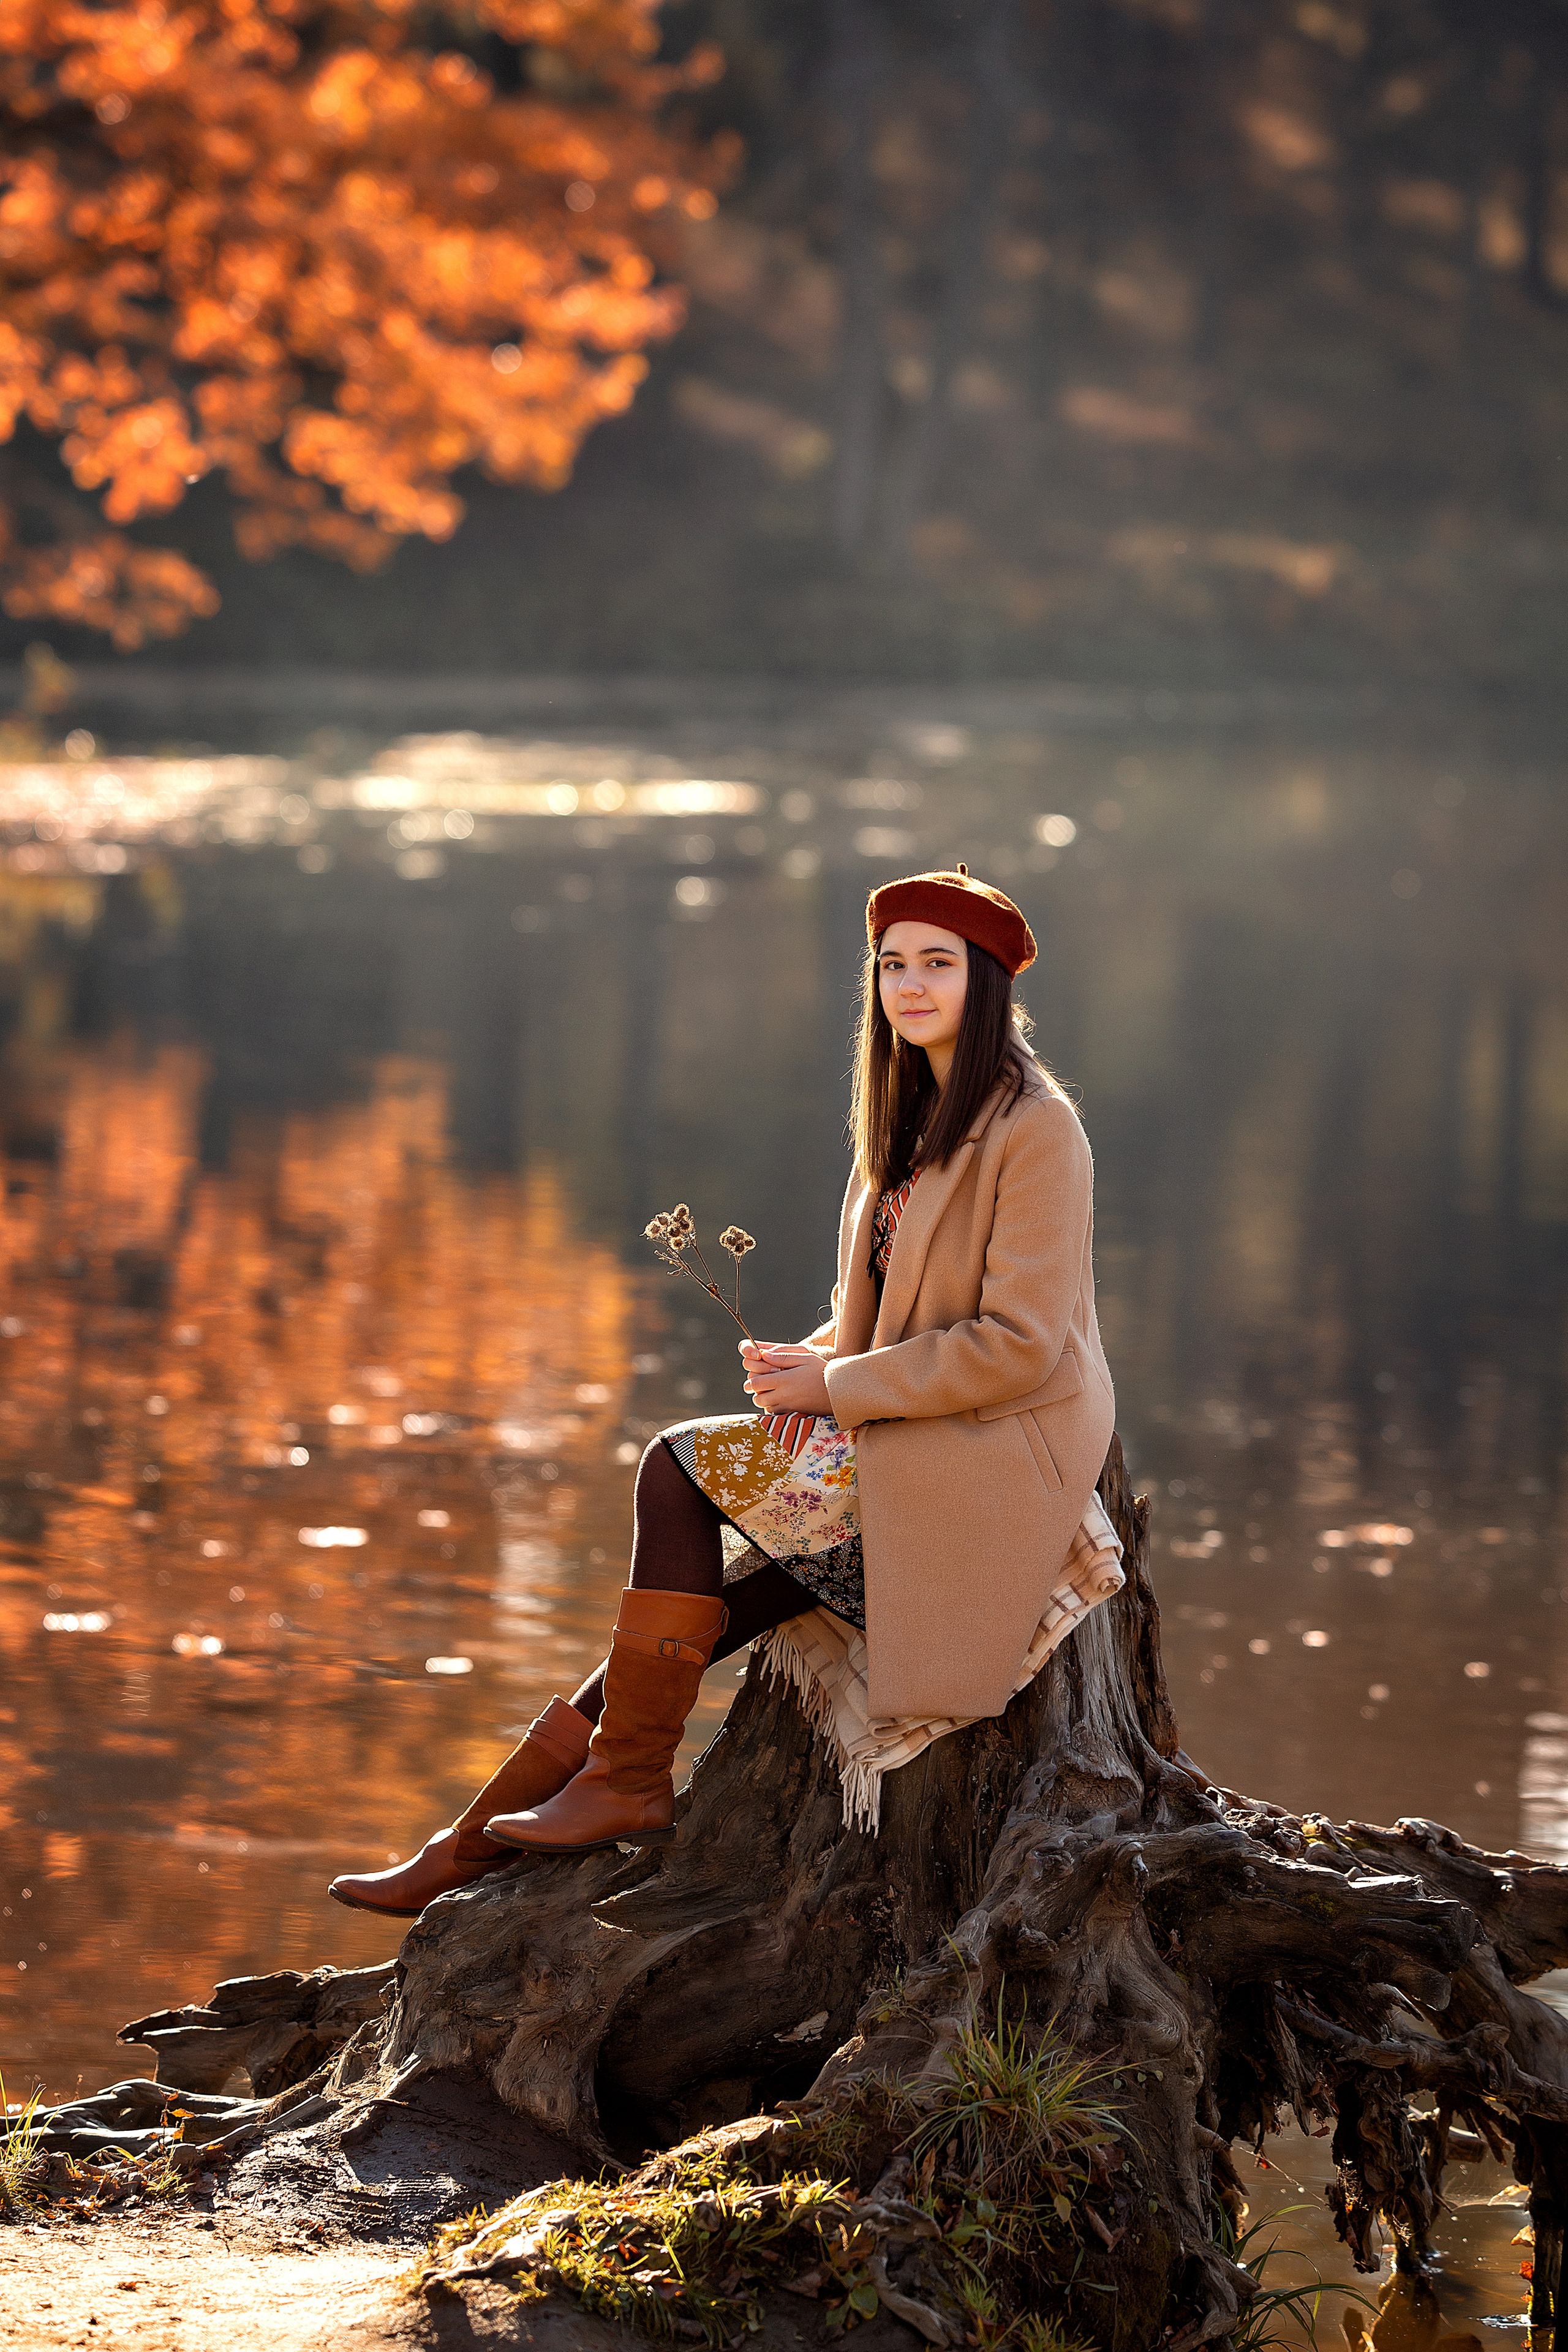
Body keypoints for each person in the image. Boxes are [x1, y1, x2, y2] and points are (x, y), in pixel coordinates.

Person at [328, 865, 1117, 1915]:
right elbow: (890, 1305)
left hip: (998, 1442)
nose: (911, 986)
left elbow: (1021, 1345)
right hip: (915, 1419)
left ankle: (562, 1805)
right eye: (892, 965)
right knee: (726, 1599)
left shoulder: (1037, 1129)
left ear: (987, 983)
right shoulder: (905, 1118)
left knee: (677, 1467)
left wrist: (836, 1384)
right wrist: (810, 1357)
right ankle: (525, 1821)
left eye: (939, 964)